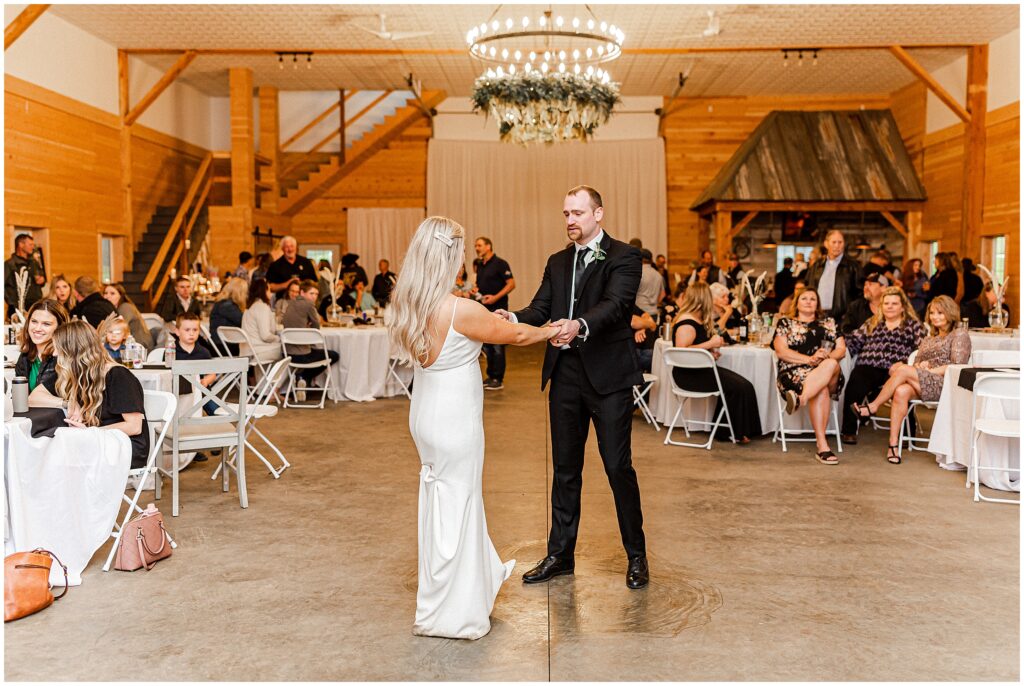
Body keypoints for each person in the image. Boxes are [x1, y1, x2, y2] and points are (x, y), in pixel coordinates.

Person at [387, 216, 556, 640]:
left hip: (425, 415)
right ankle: (457, 612)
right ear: (448, 257)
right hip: (454, 419)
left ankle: (445, 598)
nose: (464, 259)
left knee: (441, 500)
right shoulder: (459, 309)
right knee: (460, 503)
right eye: (461, 252)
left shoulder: (411, 303)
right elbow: (516, 336)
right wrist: (552, 330)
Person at [496, 185, 650, 590]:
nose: (570, 220)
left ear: (598, 214)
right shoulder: (558, 261)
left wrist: (579, 325)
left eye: (578, 213)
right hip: (565, 375)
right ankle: (560, 555)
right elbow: (541, 308)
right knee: (565, 469)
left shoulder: (624, 256)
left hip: (609, 378)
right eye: (566, 213)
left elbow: (615, 306)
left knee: (617, 467)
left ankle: (637, 556)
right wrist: (511, 318)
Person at [852, 295, 971, 464]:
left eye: (940, 313)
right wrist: (921, 365)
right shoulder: (929, 338)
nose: (935, 317)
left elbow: (958, 366)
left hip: (946, 386)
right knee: (901, 391)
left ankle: (873, 406)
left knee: (901, 369)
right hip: (923, 382)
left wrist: (930, 371)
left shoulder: (959, 334)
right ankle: (893, 445)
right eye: (932, 313)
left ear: (950, 313)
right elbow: (915, 362)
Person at [671, 282, 762, 443]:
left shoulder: (697, 319)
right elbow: (681, 352)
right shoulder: (686, 323)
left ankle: (726, 431)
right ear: (703, 299)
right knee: (738, 387)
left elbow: (695, 348)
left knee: (744, 385)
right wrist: (710, 344)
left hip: (701, 370)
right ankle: (732, 432)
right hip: (689, 375)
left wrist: (710, 353)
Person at [51, 320, 149, 469]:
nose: (54, 354)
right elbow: (34, 397)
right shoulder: (83, 375)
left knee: (60, 456)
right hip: (101, 440)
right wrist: (71, 402)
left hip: (125, 447)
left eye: (58, 349)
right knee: (55, 447)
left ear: (73, 350)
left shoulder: (118, 375)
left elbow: (134, 427)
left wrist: (90, 433)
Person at [840, 287, 924, 444]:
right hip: (869, 365)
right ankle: (849, 430)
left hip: (896, 369)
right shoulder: (872, 322)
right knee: (854, 384)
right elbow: (853, 341)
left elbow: (922, 351)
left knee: (902, 390)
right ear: (881, 306)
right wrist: (837, 343)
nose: (890, 306)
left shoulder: (913, 325)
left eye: (894, 303)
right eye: (886, 303)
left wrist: (905, 363)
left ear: (903, 307)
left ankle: (905, 434)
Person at [773, 288, 847, 464]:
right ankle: (823, 446)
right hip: (794, 372)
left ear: (817, 304)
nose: (808, 301)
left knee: (831, 363)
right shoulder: (786, 323)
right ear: (796, 303)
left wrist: (824, 358)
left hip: (827, 371)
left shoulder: (829, 322)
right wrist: (810, 359)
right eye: (804, 298)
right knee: (821, 389)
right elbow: (781, 351)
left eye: (812, 299)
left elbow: (841, 349)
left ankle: (801, 399)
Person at [473, 236, 516, 391]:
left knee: (497, 345)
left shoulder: (500, 263)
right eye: (475, 246)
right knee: (487, 344)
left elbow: (511, 284)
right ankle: (490, 376)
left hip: (498, 310)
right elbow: (480, 285)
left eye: (479, 245)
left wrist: (495, 298)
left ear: (488, 246)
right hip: (483, 310)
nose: (476, 248)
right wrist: (476, 291)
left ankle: (498, 378)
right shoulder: (480, 264)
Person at [282, 280, 340, 390]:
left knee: (315, 351)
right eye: (311, 293)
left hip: (287, 353)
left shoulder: (290, 303)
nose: (314, 297)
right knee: (334, 355)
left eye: (316, 294)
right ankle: (304, 377)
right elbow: (316, 328)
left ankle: (303, 379)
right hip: (302, 355)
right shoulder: (309, 304)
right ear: (302, 292)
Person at [15, 299, 69, 407]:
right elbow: (20, 398)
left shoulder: (62, 358)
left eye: (46, 324)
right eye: (34, 321)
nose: (37, 328)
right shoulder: (25, 356)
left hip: (59, 415)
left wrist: (66, 404)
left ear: (60, 328)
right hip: (32, 415)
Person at [805, 230, 863, 324]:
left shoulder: (853, 267)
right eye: (834, 242)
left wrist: (850, 313)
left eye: (840, 242)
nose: (837, 245)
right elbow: (807, 288)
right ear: (826, 244)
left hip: (843, 319)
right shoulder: (816, 266)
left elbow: (861, 294)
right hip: (817, 316)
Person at [240, 279, 283, 364]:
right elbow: (266, 336)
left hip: (245, 351)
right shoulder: (262, 307)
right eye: (269, 290)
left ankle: (264, 373)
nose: (271, 293)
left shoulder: (248, 307)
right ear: (264, 291)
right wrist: (279, 338)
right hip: (257, 351)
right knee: (286, 349)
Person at [4, 233, 45, 317]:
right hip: (17, 308)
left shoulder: (34, 262)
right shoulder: (9, 264)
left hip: (35, 306)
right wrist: (12, 304)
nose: (33, 247)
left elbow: (42, 279)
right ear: (21, 244)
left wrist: (42, 280)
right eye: (30, 244)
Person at [102, 282, 154, 349]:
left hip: (140, 346)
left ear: (121, 296)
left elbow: (119, 328)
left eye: (112, 293)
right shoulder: (115, 309)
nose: (107, 296)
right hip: (131, 345)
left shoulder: (125, 307)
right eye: (105, 293)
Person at [209, 277, 248, 355]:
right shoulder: (227, 306)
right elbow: (244, 321)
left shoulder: (221, 303)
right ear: (240, 293)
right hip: (224, 347)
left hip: (219, 344)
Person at [635, 248, 665, 316]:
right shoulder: (658, 275)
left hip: (640, 313)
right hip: (654, 312)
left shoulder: (638, 273)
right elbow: (663, 294)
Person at [631, 304, 657, 373]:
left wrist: (642, 327)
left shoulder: (630, 304)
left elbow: (646, 315)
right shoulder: (617, 303)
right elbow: (633, 321)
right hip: (630, 352)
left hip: (642, 348)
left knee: (659, 357)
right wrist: (649, 325)